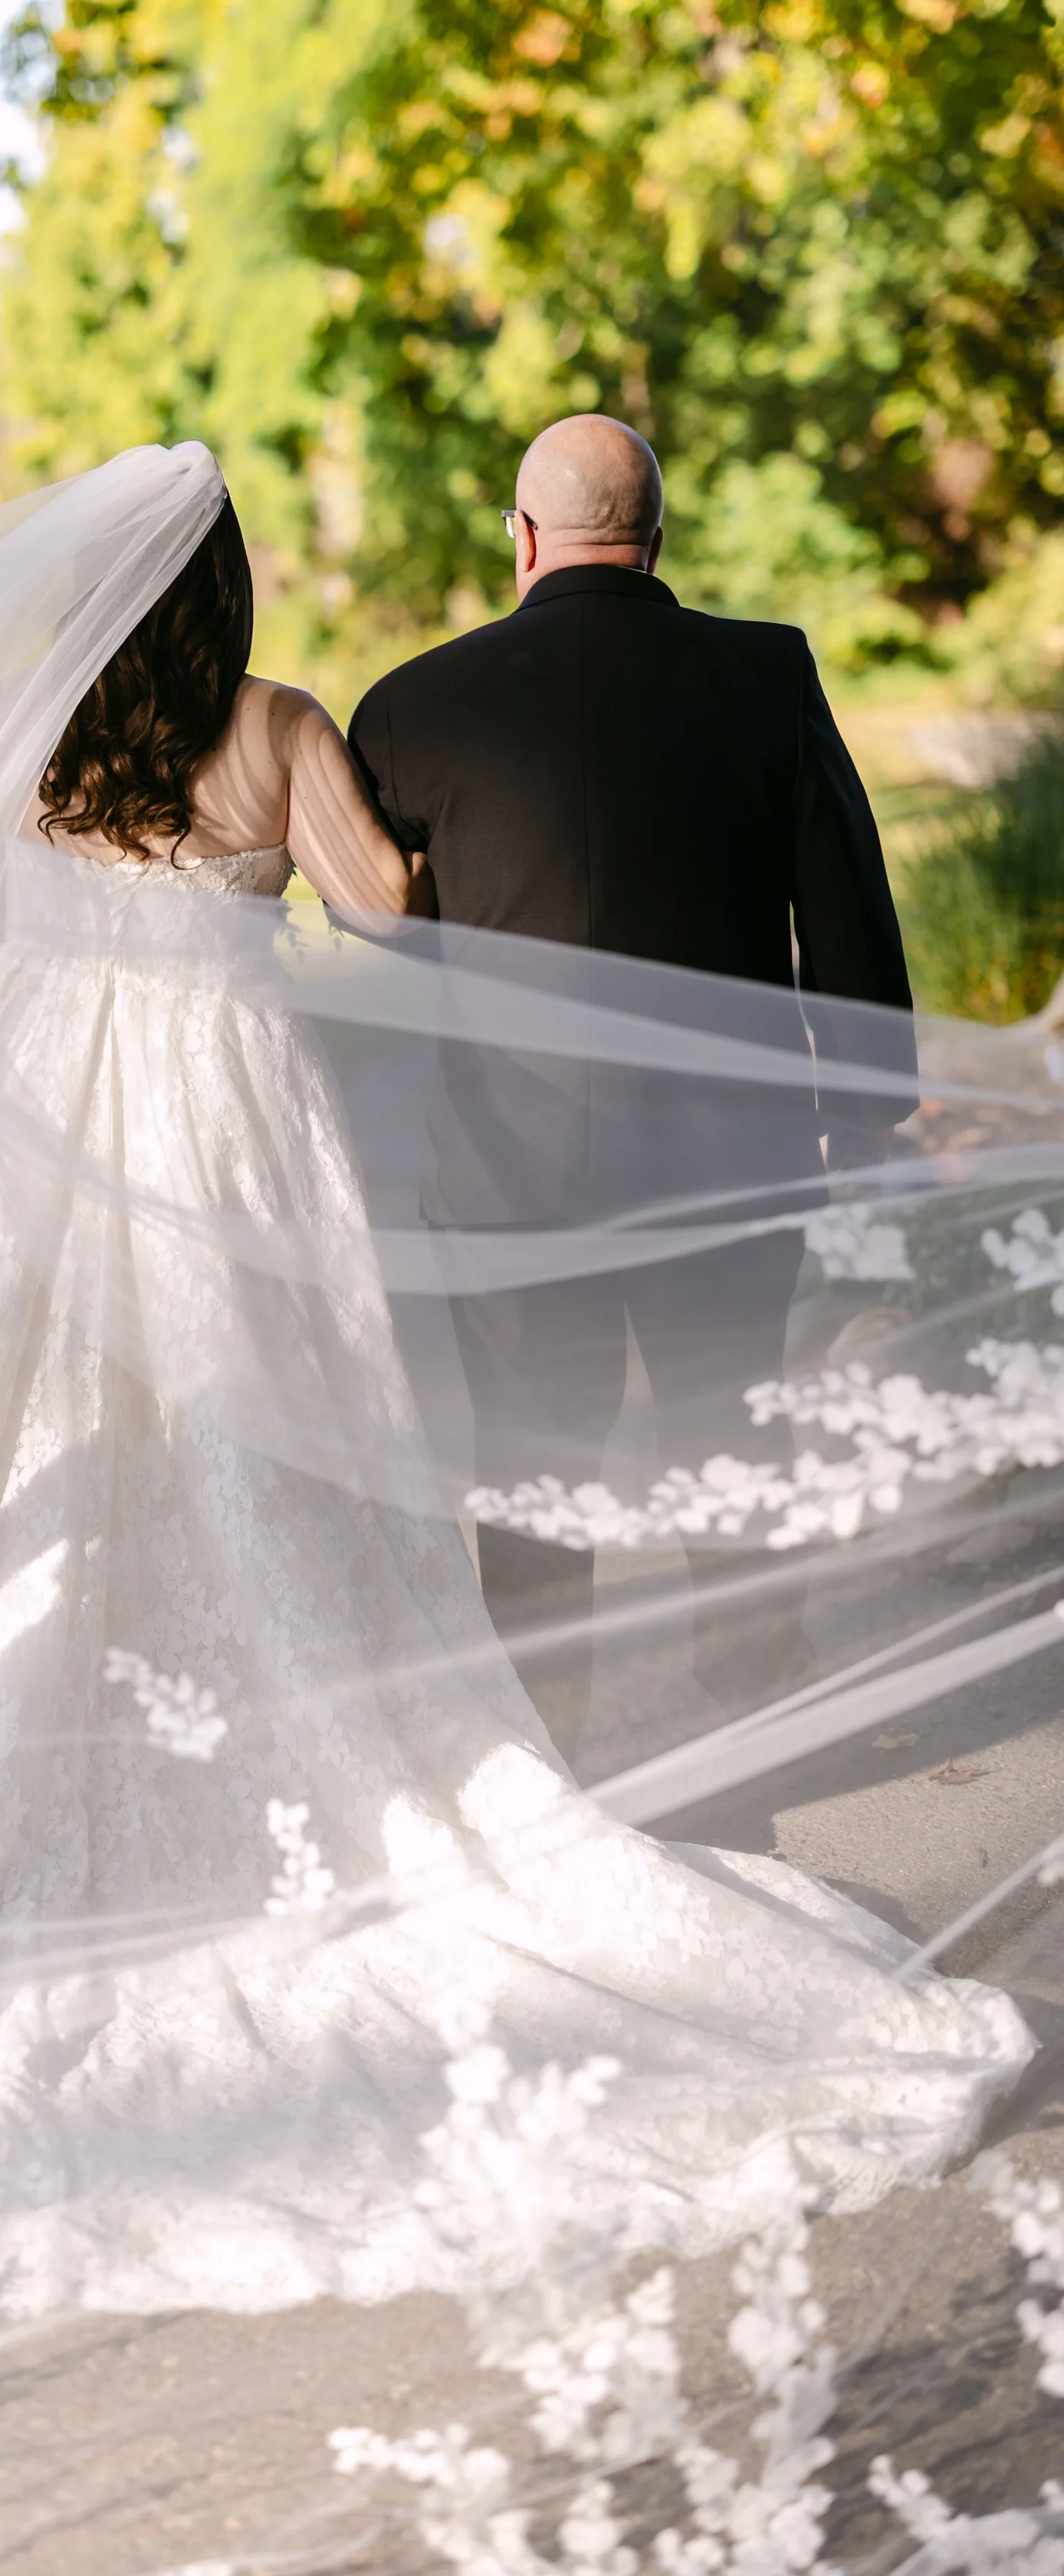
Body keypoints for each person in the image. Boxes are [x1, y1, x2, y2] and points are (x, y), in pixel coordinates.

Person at [0, 448, 1023, 2326]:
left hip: (6, 1142)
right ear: (225, 594)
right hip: (224, 1128)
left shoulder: (15, 743)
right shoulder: (278, 728)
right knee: (268, 1440)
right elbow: (392, 912)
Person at [350, 415, 917, 1751]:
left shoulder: (411, 704)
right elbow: (845, 905)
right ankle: (763, 1707)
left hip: (507, 1169)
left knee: (535, 1468)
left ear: (523, 539)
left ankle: (548, 1742)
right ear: (656, 538)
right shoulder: (766, 675)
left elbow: (384, 927)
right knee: (732, 1434)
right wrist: (869, 1111)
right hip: (731, 1153)